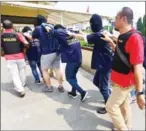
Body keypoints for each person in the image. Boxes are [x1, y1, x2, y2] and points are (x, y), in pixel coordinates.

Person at [101, 7, 145, 130]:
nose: (114, 21)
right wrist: (110, 41)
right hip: (119, 79)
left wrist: (139, 92)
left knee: (111, 106)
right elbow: (120, 53)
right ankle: (128, 126)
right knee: (124, 104)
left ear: (123, 19)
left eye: (116, 18)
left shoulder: (135, 38)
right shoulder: (123, 35)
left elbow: (138, 67)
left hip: (124, 82)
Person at [63, 14, 113, 114]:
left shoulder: (99, 34)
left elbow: (85, 38)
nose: (91, 26)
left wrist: (72, 34)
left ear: (94, 24)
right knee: (96, 82)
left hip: (105, 65)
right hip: (103, 64)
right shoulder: (102, 32)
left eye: (91, 24)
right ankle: (110, 95)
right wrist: (79, 33)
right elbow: (89, 36)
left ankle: (109, 106)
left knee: (103, 88)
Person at [42, 24, 88, 101]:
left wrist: (43, 24)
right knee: (73, 76)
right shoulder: (69, 31)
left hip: (72, 60)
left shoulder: (59, 32)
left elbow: (47, 28)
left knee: (69, 78)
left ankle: (82, 92)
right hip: (78, 58)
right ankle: (73, 92)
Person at [24, 15, 64, 92]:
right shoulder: (52, 26)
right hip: (57, 52)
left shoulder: (38, 28)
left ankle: (49, 87)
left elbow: (32, 37)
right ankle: (60, 86)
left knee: (44, 70)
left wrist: (26, 35)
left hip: (47, 53)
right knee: (57, 69)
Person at [1, 20, 29, 97]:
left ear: (3, 27)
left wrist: (2, 53)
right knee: (22, 70)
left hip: (9, 58)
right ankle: (22, 84)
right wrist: (25, 50)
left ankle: (20, 89)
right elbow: (26, 43)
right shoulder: (18, 34)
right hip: (20, 56)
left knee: (14, 74)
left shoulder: (1, 36)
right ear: (12, 26)